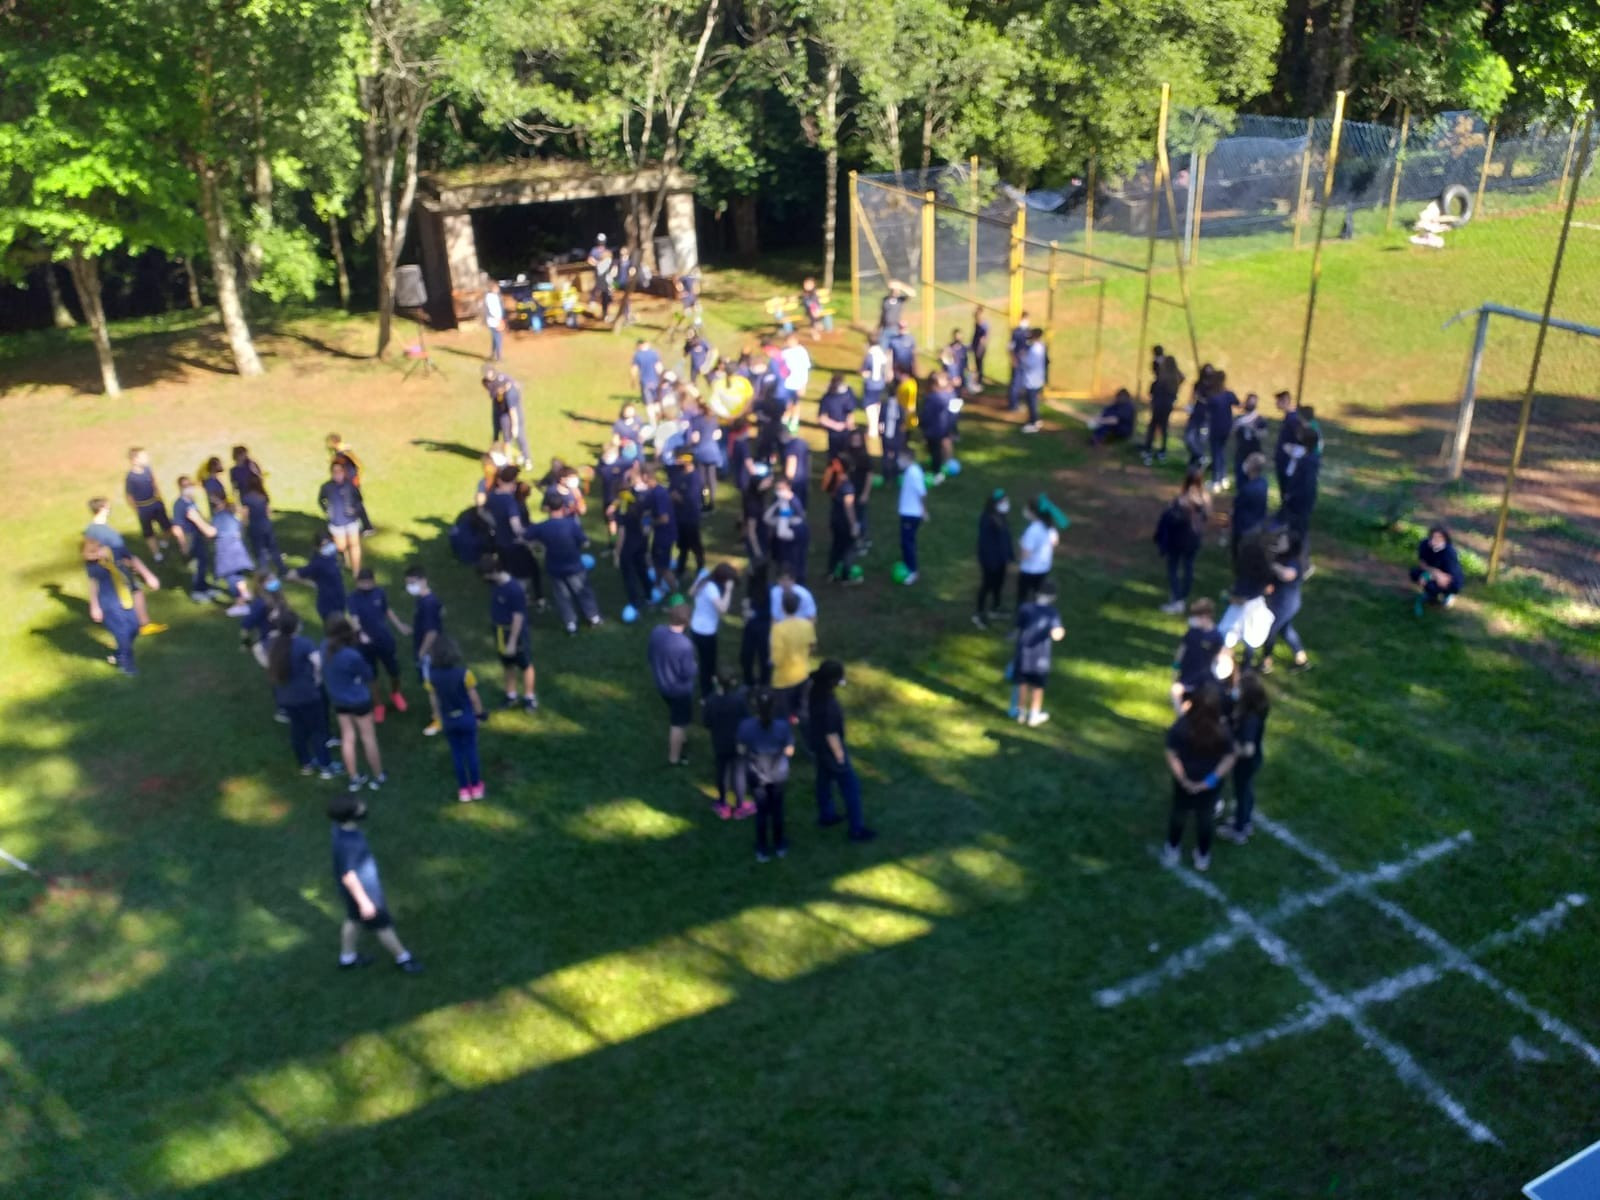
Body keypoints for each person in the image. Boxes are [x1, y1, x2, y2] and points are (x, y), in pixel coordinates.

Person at [327, 794, 422, 973]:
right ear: (351, 815)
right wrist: (364, 902)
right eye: (359, 806)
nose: (363, 807)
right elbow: (349, 876)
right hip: (364, 891)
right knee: (382, 925)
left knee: (354, 919)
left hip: (349, 891)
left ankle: (347, 958)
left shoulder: (338, 829)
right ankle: (403, 958)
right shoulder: (349, 843)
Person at [1161, 683, 1236, 871]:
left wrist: (1183, 780)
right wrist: (1209, 781)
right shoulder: (1223, 730)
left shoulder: (1181, 726)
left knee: (1179, 812)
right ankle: (1202, 855)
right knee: (1205, 817)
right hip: (1210, 783)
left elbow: (1172, 754)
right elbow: (1229, 757)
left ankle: (1173, 848)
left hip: (1184, 780)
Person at [808, 659, 876, 842]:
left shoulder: (814, 692)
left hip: (818, 746)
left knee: (823, 781)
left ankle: (826, 815)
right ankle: (856, 829)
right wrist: (839, 756)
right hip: (831, 749)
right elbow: (831, 734)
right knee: (851, 787)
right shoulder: (828, 704)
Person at [266, 611, 337, 778]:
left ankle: (305, 763)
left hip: (286, 697)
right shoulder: (304, 643)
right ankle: (325, 766)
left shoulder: (274, 644)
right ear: (296, 626)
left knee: (297, 730)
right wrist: (317, 678)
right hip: (308, 695)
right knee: (318, 730)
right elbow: (318, 662)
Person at [322, 614, 386, 791]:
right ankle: (378, 776)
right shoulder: (352, 655)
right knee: (368, 737)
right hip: (359, 700)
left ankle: (354, 778)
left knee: (348, 737)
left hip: (338, 700)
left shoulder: (324, 647)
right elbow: (368, 675)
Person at [83, 497, 164, 632]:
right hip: (117, 568)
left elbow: (88, 554)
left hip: (102, 569)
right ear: (103, 509)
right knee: (136, 591)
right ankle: (144, 624)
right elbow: (127, 555)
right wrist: (147, 574)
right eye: (108, 507)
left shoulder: (90, 530)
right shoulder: (109, 534)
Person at [423, 635, 487, 803]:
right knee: (471, 751)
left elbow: (434, 699)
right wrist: (480, 714)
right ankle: (476, 787)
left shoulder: (432, 678)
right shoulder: (465, 674)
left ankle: (464, 790)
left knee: (457, 754)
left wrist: (437, 716)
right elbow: (474, 698)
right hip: (466, 718)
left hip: (449, 720)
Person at [738, 687, 794, 862]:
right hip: (778, 775)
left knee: (761, 811)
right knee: (777, 810)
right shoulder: (783, 727)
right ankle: (779, 845)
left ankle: (762, 849)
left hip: (757, 775)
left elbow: (740, 750)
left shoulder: (745, 726)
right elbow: (790, 751)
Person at [349, 569, 409, 724]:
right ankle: (378, 705)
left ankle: (396, 693)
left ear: (373, 582)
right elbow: (354, 618)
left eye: (369, 582)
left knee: (394, 670)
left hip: (384, 639)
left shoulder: (379, 592)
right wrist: (360, 633)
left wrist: (400, 626)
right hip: (365, 644)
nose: (366, 585)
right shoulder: (353, 598)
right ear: (357, 583)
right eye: (363, 583)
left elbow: (387, 610)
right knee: (371, 675)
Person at [529, 510, 601, 635]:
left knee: (562, 596)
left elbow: (525, 536)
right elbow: (585, 543)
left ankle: (571, 624)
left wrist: (538, 545)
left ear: (548, 508)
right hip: (574, 566)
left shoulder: (543, 526)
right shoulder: (571, 524)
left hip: (555, 568)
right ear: (562, 508)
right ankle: (593, 617)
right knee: (583, 591)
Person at [1218, 670, 1270, 844]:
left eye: (1239, 687)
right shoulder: (1252, 709)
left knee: (1242, 793)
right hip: (1251, 761)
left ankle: (1239, 830)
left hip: (1246, 763)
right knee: (1246, 791)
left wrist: (1230, 751)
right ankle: (1245, 820)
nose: (1236, 689)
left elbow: (1248, 749)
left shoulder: (1250, 719)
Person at [483, 554, 537, 712]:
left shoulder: (514, 589)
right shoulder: (495, 585)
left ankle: (529, 697)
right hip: (500, 631)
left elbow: (518, 616)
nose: (485, 578)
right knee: (507, 664)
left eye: (486, 575)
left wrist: (512, 641)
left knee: (525, 664)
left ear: (494, 571)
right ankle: (511, 695)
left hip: (515, 632)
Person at [648, 602, 698, 766]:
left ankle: (682, 739)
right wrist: (695, 666)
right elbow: (688, 672)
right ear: (687, 622)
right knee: (678, 723)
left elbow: (650, 655)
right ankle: (674, 758)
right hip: (679, 691)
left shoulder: (657, 632)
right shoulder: (685, 645)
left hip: (661, 683)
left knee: (677, 715)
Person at [1012, 578, 1065, 727]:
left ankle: (1021, 713)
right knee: (1038, 686)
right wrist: (1058, 633)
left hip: (1023, 653)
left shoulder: (1025, 608)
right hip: (1041, 656)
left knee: (1022, 683)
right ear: (1054, 597)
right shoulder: (1052, 613)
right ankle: (1034, 714)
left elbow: (1019, 626)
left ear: (1037, 593)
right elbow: (1057, 633)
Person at [1258, 527, 1311, 674]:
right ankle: (1301, 659)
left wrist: (1273, 566)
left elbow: (1288, 575)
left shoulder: (1293, 561)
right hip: (1281, 602)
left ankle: (1266, 661)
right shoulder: (1281, 557)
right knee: (1285, 630)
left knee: (1270, 630)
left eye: (1282, 540)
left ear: (1290, 544)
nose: (1279, 542)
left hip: (1285, 604)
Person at [83, 539, 141, 675]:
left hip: (125, 599)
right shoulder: (93, 566)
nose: (96, 555)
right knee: (122, 633)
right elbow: (93, 585)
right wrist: (95, 606)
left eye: (97, 551)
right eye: (91, 553)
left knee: (135, 627)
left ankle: (120, 653)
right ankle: (126, 664)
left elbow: (127, 562)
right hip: (109, 604)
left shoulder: (113, 555)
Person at [1156, 467, 1209, 614]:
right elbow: (1205, 517)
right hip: (1195, 539)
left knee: (1173, 568)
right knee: (1188, 567)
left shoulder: (1182, 499)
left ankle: (1177, 600)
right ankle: (1183, 597)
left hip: (1179, 539)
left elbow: (1171, 518)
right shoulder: (1204, 498)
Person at [703, 673, 754, 819]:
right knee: (739, 773)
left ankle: (722, 804)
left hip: (719, 742)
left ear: (716, 682)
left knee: (722, 771)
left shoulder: (710, 701)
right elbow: (747, 719)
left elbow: (706, 723)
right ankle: (740, 806)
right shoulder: (738, 700)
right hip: (738, 742)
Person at [688, 563, 736, 697]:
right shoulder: (712, 589)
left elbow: (690, 592)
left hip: (695, 627)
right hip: (706, 632)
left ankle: (711, 678)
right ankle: (706, 693)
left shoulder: (703, 579)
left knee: (707, 659)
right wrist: (728, 590)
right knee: (706, 664)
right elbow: (723, 609)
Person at [1169, 598, 1224, 713]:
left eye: (1197, 617)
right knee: (1175, 692)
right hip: (1186, 676)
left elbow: (1219, 658)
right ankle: (1182, 719)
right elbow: (1181, 651)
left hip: (1203, 679)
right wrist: (1175, 668)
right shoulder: (1192, 633)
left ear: (1206, 616)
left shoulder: (1216, 637)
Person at [769, 590, 816, 718]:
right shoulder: (807, 625)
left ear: (782, 607)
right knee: (801, 707)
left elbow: (777, 658)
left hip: (783, 679)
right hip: (802, 673)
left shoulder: (778, 629)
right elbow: (812, 646)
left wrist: (772, 662)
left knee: (782, 713)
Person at [172, 475, 217, 603]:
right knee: (197, 564)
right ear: (180, 488)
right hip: (189, 537)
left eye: (190, 485)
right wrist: (183, 544)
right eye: (185, 486)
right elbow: (177, 528)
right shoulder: (179, 504)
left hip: (198, 535)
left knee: (203, 561)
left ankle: (204, 586)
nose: (189, 488)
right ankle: (197, 591)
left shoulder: (191, 501)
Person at [974, 489, 1015, 628]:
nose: (1006, 504)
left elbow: (1006, 538)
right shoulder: (987, 519)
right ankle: (979, 613)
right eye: (1003, 502)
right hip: (990, 560)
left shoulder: (1001, 517)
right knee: (987, 585)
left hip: (1001, 559)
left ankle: (995, 607)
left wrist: (1009, 555)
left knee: (999, 583)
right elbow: (985, 543)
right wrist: (990, 561)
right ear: (995, 503)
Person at [1016, 494, 1065, 608]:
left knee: (1023, 597)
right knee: (1039, 595)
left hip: (1029, 570)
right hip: (1044, 568)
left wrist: (1019, 557)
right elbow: (1055, 542)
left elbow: (1026, 554)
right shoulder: (1049, 527)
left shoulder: (1032, 530)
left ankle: (1023, 616)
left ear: (1033, 512)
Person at [288, 532, 347, 625]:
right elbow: (291, 575)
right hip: (328, 603)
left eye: (329, 543)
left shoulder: (333, 556)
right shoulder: (317, 563)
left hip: (339, 598)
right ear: (317, 547)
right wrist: (310, 583)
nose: (328, 547)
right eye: (324, 545)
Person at [124, 448, 171, 564]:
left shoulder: (148, 469)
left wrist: (159, 497)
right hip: (143, 508)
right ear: (134, 460)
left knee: (167, 526)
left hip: (155, 503)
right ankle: (156, 554)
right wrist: (137, 509)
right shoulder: (131, 477)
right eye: (143, 457)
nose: (147, 459)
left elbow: (154, 482)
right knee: (149, 533)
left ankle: (164, 541)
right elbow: (129, 496)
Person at [318, 460, 366, 576]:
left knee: (354, 545)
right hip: (337, 522)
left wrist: (354, 509)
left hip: (351, 520)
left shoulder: (350, 485)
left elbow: (359, 499)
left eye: (340, 471)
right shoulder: (327, 487)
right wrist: (327, 510)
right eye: (335, 472)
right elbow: (321, 500)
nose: (337, 474)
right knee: (341, 546)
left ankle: (356, 571)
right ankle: (346, 560)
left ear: (344, 472)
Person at [211, 500, 256, 617]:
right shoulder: (233, 518)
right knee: (237, 574)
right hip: (238, 551)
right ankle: (245, 594)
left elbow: (211, 532)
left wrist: (197, 519)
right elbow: (241, 531)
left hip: (227, 553)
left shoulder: (219, 518)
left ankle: (241, 605)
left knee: (231, 579)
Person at [823, 454, 862, 584]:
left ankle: (831, 572)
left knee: (836, 546)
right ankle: (846, 576)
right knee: (848, 549)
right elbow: (849, 507)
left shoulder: (836, 482)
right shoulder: (847, 486)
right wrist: (854, 525)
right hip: (844, 523)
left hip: (835, 520)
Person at [763, 477, 808, 585]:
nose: (778, 491)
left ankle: (796, 581)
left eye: (781, 488)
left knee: (795, 562)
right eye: (777, 489)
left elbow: (784, 527)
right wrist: (777, 504)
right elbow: (767, 518)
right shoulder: (779, 500)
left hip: (794, 533)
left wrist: (783, 506)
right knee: (782, 562)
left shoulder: (794, 503)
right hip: (784, 537)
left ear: (789, 487)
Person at [1411, 524, 1464, 614]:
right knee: (1415, 573)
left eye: (1439, 538)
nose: (1434, 540)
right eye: (1432, 537)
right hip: (1434, 572)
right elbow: (1422, 563)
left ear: (1445, 539)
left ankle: (1448, 594)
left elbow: (1448, 577)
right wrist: (1432, 574)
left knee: (1440, 584)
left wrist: (1433, 575)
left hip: (1451, 578)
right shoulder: (1424, 544)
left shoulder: (1449, 552)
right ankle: (1431, 595)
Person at [482, 367, 528, 465]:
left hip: (505, 413)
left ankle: (514, 457)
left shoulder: (502, 379)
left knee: (508, 438)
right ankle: (495, 453)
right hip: (499, 410)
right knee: (496, 433)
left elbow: (511, 383)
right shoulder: (489, 384)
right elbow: (495, 394)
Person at [1143, 354, 1184, 465]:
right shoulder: (1175, 379)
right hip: (1167, 405)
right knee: (1164, 427)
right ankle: (1162, 451)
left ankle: (1148, 450)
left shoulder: (1162, 377)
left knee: (1153, 426)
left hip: (1159, 404)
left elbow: (1153, 390)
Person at [239, 479, 284, 576]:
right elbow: (268, 512)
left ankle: (264, 571)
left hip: (255, 526)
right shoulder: (263, 496)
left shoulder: (246, 498)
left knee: (260, 550)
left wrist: (243, 527)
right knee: (273, 547)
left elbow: (245, 514)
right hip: (266, 525)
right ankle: (281, 568)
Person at [896, 446, 927, 585]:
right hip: (907, 512)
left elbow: (922, 493)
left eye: (900, 458)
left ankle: (913, 571)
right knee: (906, 542)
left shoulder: (914, 473)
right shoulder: (910, 471)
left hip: (911, 514)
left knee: (908, 543)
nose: (898, 461)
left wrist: (923, 510)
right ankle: (908, 565)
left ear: (907, 458)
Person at [1231, 452, 1270, 562]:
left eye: (1248, 461)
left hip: (1243, 527)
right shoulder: (1263, 483)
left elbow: (1237, 505)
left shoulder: (1247, 490)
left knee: (1240, 556)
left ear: (1251, 467)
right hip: (1257, 524)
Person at [741, 560, 774, 688]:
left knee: (764, 656)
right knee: (746, 655)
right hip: (750, 626)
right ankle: (748, 681)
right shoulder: (751, 583)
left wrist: (754, 613)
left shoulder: (769, 589)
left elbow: (770, 612)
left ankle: (764, 683)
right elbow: (749, 600)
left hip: (763, 628)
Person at [1205, 371, 1239, 490]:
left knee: (1216, 453)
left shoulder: (1213, 396)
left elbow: (1207, 410)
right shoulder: (1228, 394)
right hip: (1226, 427)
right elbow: (1237, 402)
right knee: (1222, 452)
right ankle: (1223, 477)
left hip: (1215, 428)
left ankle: (1216, 480)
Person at [920, 369, 957, 476]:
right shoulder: (949, 396)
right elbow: (953, 413)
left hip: (933, 430)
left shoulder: (932, 398)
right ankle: (943, 464)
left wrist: (922, 424)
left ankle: (937, 471)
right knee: (941, 448)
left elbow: (927, 415)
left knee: (934, 451)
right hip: (944, 429)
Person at [816, 373, 858, 459]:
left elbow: (850, 412)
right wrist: (835, 425)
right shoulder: (827, 397)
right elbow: (821, 418)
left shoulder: (848, 393)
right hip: (834, 434)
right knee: (834, 457)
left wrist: (849, 424)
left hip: (847, 432)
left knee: (848, 456)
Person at [1018, 327, 1048, 434]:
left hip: (1032, 380)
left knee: (1031, 402)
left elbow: (1030, 364)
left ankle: (1033, 423)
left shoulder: (1035, 349)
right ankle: (1036, 420)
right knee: (1033, 401)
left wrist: (1023, 357)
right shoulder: (1040, 346)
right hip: (1037, 379)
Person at [861, 341, 891, 439]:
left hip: (871, 385)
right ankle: (880, 426)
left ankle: (873, 430)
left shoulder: (869, 356)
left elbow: (864, 371)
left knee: (870, 407)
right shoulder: (883, 356)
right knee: (879, 406)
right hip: (881, 385)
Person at [631, 338, 663, 412]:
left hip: (645, 382)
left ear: (639, 345)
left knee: (648, 403)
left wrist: (633, 380)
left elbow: (634, 369)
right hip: (655, 381)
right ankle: (658, 416)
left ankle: (652, 418)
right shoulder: (654, 353)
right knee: (657, 401)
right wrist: (661, 378)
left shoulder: (637, 355)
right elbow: (659, 367)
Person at [1006, 313, 1031, 411]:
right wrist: (1013, 359)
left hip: (1026, 362)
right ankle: (1013, 405)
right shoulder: (1016, 332)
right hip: (1018, 361)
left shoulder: (1029, 331)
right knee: (1016, 383)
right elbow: (1010, 347)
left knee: (1023, 384)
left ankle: (1019, 403)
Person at [483, 279, 505, 361]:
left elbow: (499, 308)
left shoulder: (496, 296)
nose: (498, 289)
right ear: (492, 288)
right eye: (496, 288)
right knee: (498, 338)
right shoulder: (489, 297)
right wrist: (498, 319)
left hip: (498, 320)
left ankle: (492, 354)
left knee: (495, 338)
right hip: (493, 321)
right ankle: (499, 356)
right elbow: (492, 310)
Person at [971, 307, 990, 389]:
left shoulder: (983, 325)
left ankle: (979, 382)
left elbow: (984, 338)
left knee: (979, 365)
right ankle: (977, 382)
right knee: (977, 365)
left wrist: (979, 348)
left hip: (980, 348)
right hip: (976, 347)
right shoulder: (977, 324)